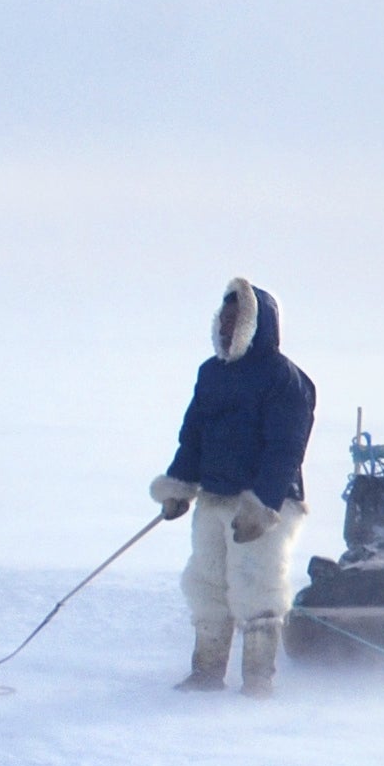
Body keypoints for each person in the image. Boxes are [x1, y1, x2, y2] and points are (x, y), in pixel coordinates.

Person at [151, 276, 317, 695]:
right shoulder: (211, 375)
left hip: (265, 505)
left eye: (234, 319)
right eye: (222, 320)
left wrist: (262, 507)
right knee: (208, 584)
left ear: (255, 325)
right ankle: (206, 672)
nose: (225, 328)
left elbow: (285, 449)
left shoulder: (286, 379)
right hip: (214, 498)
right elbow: (193, 436)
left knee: (257, 587)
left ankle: (259, 679)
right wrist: (179, 487)